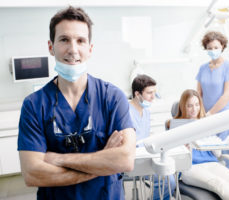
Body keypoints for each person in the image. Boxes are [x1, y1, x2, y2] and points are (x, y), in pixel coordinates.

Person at [17, 6, 136, 200]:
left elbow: (125, 159)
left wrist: (58, 159)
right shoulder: (34, 105)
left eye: (80, 41)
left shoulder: (112, 97)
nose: (73, 49)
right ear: (50, 46)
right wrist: (103, 162)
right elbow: (32, 173)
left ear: (90, 48)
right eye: (64, 39)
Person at [168, 89, 229, 200]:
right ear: (183, 107)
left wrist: (214, 137)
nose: (194, 109)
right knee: (219, 184)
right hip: (190, 168)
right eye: (190, 106)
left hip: (212, 163)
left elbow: (217, 154)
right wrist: (184, 148)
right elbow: (172, 155)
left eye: (197, 105)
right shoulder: (176, 126)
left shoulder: (205, 123)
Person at [196, 31, 229, 172]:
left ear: (222, 47)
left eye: (216, 47)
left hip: (225, 116)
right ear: (206, 49)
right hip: (207, 117)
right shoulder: (203, 68)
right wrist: (201, 113)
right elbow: (199, 94)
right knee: (209, 152)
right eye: (209, 48)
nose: (213, 51)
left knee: (224, 154)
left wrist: (211, 113)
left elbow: (226, 95)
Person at [129, 74, 175, 200]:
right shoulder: (126, 112)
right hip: (134, 158)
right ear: (137, 94)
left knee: (174, 171)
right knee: (167, 181)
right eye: (149, 93)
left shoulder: (146, 111)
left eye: (154, 92)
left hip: (146, 154)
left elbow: (145, 136)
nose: (153, 97)